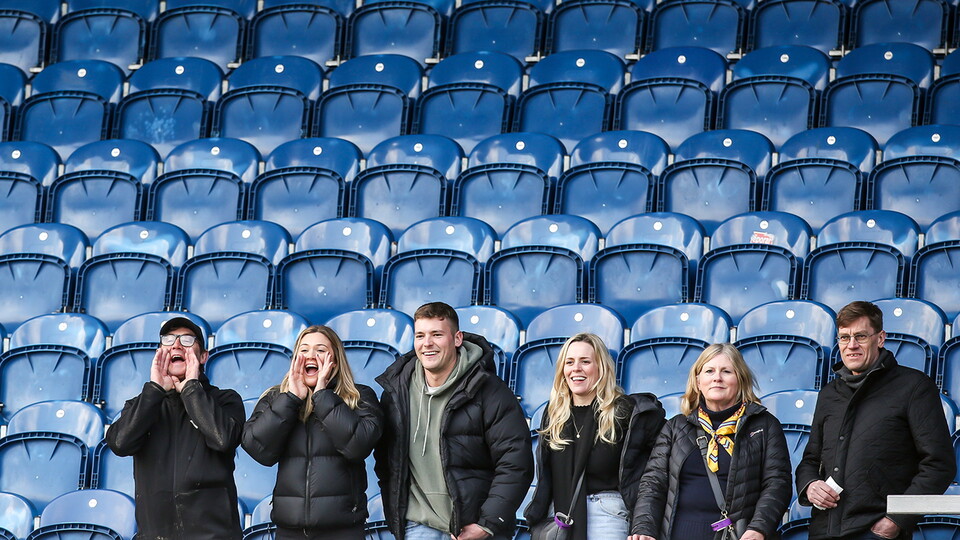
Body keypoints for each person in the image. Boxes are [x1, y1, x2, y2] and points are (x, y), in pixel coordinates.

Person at [795, 301, 956, 540]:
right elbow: (810, 459)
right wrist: (810, 485)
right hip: (824, 530)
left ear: (880, 338)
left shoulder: (914, 387)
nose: (851, 345)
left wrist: (896, 520)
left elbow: (939, 465)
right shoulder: (829, 394)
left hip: (878, 532)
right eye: (844, 337)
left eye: (860, 336)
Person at [374, 301, 534, 540]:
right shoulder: (397, 391)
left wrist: (487, 523)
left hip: (474, 527)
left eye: (437, 334)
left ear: (457, 338)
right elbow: (386, 462)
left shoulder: (490, 390)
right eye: (420, 335)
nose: (427, 343)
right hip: (416, 526)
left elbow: (515, 461)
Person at [628, 343, 792, 540]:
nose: (717, 378)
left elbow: (777, 483)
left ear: (740, 379)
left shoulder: (764, 426)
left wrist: (759, 528)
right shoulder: (676, 427)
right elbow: (653, 483)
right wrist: (644, 529)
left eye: (726, 371)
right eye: (709, 371)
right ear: (698, 381)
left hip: (738, 535)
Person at [106, 317, 245, 540]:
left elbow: (223, 439)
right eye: (168, 340)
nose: (177, 345)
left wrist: (191, 389)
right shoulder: (142, 404)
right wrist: (154, 389)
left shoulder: (225, 400)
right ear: (159, 354)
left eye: (187, 340)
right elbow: (120, 443)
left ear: (203, 356)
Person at [242, 325, 384, 539]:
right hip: (289, 531)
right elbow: (257, 448)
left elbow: (358, 446)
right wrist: (291, 399)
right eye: (304, 349)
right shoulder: (276, 398)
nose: (311, 355)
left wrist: (322, 396)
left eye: (320, 350)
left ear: (335, 360)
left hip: (343, 530)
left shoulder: (359, 396)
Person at [523, 333, 666, 539]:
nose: (576, 368)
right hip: (559, 517)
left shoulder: (624, 411)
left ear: (601, 367)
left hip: (606, 515)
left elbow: (658, 466)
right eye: (569, 362)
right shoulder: (554, 414)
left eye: (585, 361)